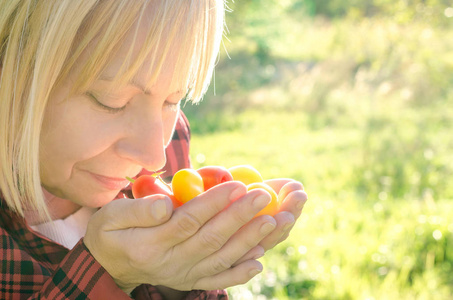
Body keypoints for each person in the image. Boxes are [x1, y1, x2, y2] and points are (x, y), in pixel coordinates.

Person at [0, 0, 308, 299]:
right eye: (112, 101)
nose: (153, 157)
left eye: (172, 100)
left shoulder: (170, 145)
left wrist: (180, 277)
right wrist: (111, 275)